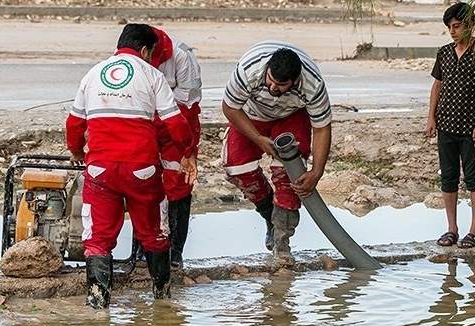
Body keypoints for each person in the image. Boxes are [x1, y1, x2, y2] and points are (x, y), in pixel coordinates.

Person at [65, 23, 196, 309]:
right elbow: (176, 123)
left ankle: (99, 305)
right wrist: (186, 153)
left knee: (98, 239)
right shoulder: (152, 75)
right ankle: (162, 300)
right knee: (154, 235)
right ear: (146, 51)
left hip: (100, 171)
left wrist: (76, 151)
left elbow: (74, 123)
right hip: (143, 171)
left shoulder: (93, 74)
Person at [221, 42, 332, 264]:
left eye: (281, 85)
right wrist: (258, 139)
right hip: (251, 115)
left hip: (291, 116)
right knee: (236, 168)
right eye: (270, 80)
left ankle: (282, 245)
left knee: (291, 177)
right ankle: (270, 215)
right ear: (267, 69)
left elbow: (322, 128)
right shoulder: (249, 70)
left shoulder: (313, 84)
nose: (273, 88)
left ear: (295, 81)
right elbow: (230, 107)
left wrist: (317, 171)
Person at [427, 2, 475, 249]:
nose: (453, 31)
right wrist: (431, 117)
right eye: (450, 28)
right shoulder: (444, 53)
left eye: (457, 26)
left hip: (471, 127)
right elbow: (437, 85)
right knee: (448, 177)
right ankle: (451, 229)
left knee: (474, 178)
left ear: (469, 25)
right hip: (446, 124)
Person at [149, 27, 202, 269]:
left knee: (178, 184)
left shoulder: (182, 57)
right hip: (146, 123)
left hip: (179, 125)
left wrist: (188, 149)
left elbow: (188, 105)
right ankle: (146, 247)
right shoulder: (129, 56)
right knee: (145, 180)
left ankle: (175, 252)